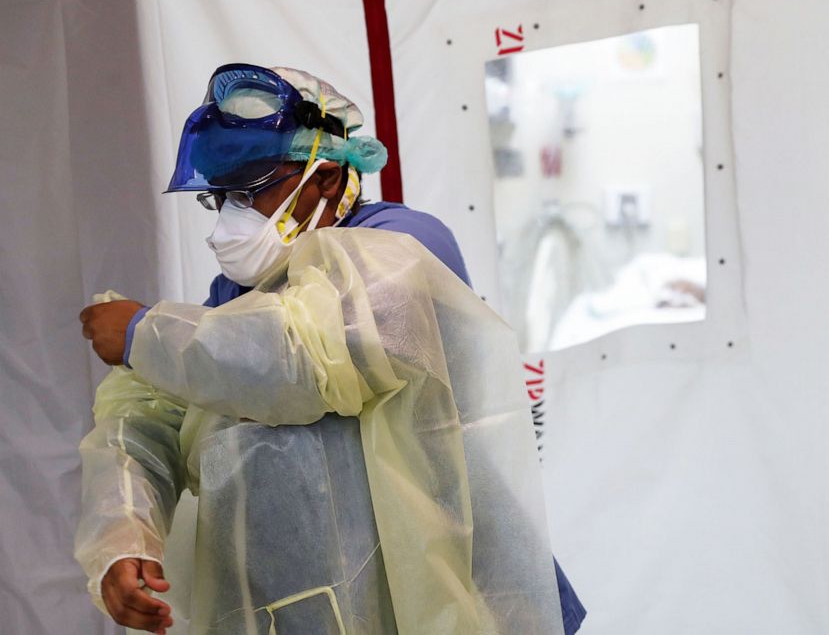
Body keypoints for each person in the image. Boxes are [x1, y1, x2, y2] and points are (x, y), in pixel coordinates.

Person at [76, 64, 585, 634]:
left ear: (327, 178)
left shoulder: (404, 247)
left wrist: (143, 333)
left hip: (454, 603)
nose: (229, 220)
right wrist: (125, 534)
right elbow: (153, 419)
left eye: (250, 192)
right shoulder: (236, 299)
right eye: (219, 198)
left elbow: (303, 359)